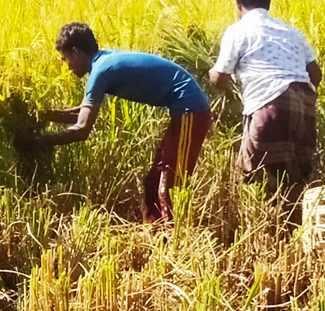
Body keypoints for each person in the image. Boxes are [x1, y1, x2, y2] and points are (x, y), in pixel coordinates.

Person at [18, 22, 212, 223]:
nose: (67, 67)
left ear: (75, 52)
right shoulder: (103, 63)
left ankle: (174, 242)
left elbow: (82, 130)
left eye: (65, 59)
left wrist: (37, 141)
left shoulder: (101, 70)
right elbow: (81, 113)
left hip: (191, 111)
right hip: (184, 112)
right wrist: (42, 114)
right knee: (153, 182)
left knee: (170, 186)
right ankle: (156, 236)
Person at [209, 0, 321, 223]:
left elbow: (221, 76)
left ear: (238, 4)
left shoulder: (238, 30)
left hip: (270, 105)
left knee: (253, 173)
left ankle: (261, 232)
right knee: (297, 175)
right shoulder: (291, 31)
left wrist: (215, 80)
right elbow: (315, 73)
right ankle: (297, 229)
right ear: (268, 4)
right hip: (304, 102)